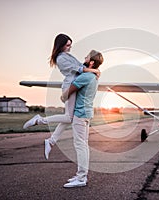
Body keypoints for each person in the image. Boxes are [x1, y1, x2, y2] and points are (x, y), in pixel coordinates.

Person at [23, 34, 100, 160]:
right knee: (69, 117)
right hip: (70, 86)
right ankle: (39, 120)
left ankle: (51, 141)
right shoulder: (60, 58)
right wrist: (94, 71)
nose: (70, 47)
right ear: (61, 45)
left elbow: (83, 66)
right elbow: (79, 69)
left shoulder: (67, 56)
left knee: (68, 118)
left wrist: (95, 69)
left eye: (70, 45)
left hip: (75, 86)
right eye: (68, 45)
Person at [61, 50, 103, 188]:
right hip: (87, 113)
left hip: (80, 114)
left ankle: (81, 178)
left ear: (91, 62)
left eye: (86, 57)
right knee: (83, 145)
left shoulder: (86, 76)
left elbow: (70, 90)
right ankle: (81, 175)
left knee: (80, 146)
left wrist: (62, 97)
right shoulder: (93, 77)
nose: (84, 58)